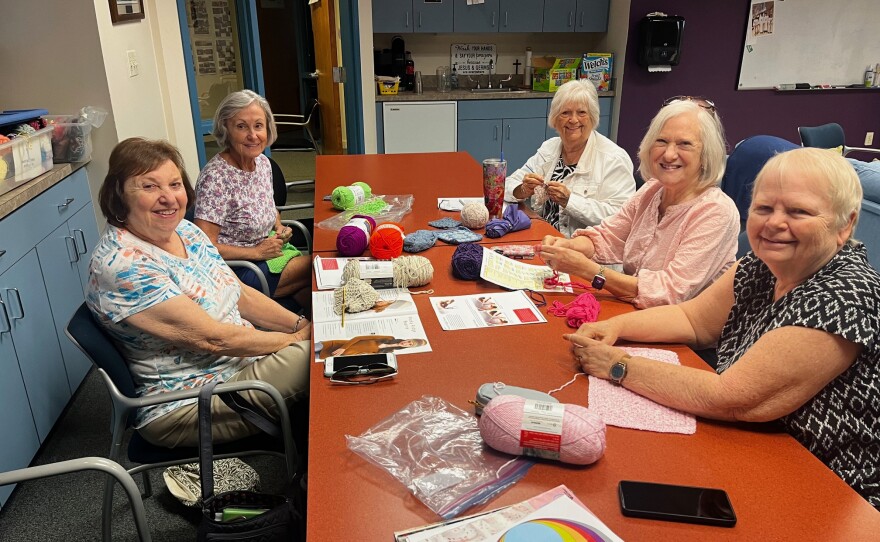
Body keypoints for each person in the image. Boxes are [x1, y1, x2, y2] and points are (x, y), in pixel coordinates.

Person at [568, 148, 879, 508]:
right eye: (764, 208)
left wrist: (616, 365)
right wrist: (614, 326)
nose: (775, 223)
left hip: (828, 492)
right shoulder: (762, 265)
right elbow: (692, 320)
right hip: (755, 453)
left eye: (798, 211)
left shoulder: (844, 295)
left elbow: (731, 398)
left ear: (845, 225)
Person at [87, 137, 311, 449]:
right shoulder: (123, 265)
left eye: (174, 184)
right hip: (187, 403)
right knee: (316, 356)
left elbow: (240, 294)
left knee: (322, 344)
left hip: (234, 367)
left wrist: (299, 326)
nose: (168, 198)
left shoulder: (185, 231)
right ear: (118, 195)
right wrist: (299, 340)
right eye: (149, 187)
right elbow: (214, 339)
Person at [538, 96, 739, 308]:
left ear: (706, 155)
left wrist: (587, 270)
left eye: (685, 144)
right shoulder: (653, 189)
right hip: (632, 310)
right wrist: (568, 247)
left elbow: (669, 293)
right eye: (661, 141)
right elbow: (609, 237)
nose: (669, 154)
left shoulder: (716, 211)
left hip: (679, 335)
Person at [193, 89, 310, 311]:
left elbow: (267, 206)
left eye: (258, 126)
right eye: (241, 126)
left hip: (270, 254)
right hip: (240, 268)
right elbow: (204, 246)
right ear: (225, 128)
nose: (253, 135)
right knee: (319, 266)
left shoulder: (263, 163)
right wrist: (255, 253)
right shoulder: (216, 178)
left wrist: (278, 226)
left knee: (316, 298)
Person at [504, 79, 635, 237]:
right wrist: (523, 189)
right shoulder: (549, 148)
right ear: (555, 119)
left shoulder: (614, 159)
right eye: (565, 113)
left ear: (592, 117)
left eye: (581, 113)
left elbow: (621, 220)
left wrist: (570, 201)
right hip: (542, 238)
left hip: (584, 252)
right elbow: (507, 185)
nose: (573, 120)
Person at [318, 336, 428, 358]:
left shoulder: (389, 352)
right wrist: (343, 348)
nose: (407, 343)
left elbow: (362, 355)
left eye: (410, 345)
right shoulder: (389, 338)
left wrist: (344, 354)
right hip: (336, 345)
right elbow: (359, 338)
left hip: (336, 356)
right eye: (409, 341)